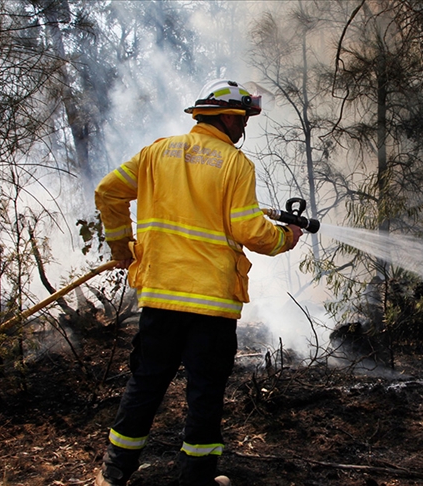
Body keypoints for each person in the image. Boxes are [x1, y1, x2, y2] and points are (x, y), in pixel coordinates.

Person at [93, 79, 303, 486]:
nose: (243, 129)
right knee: (205, 391)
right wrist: (285, 238)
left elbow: (108, 192)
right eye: (242, 120)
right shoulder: (234, 164)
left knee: (147, 381)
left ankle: (116, 470)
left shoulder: (156, 153)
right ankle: (198, 477)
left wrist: (121, 246)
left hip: (160, 298)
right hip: (210, 304)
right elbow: (249, 230)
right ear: (227, 116)